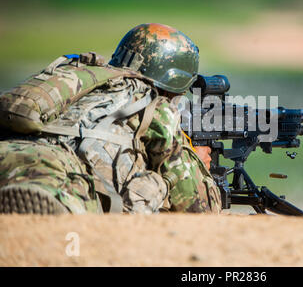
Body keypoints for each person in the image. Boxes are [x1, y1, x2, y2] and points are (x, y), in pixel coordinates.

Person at [0, 23, 221, 215]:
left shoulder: (81, 80)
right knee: (150, 186)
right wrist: (198, 162)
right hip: (58, 176)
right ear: (174, 82)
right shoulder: (154, 105)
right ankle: (47, 201)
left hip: (7, 152)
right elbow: (200, 207)